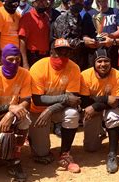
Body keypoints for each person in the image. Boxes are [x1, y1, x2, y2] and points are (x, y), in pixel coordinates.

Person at [28, 38, 82, 173]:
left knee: (72, 113)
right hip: (38, 111)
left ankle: (65, 153)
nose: (63, 56)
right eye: (59, 52)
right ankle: (32, 137)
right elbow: (37, 100)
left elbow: (73, 100)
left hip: (57, 110)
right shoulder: (38, 67)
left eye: (66, 53)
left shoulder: (74, 68)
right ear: (51, 52)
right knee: (42, 154)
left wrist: (51, 109)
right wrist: (64, 98)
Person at [0, 44, 31, 181]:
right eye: (10, 59)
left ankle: (14, 160)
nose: (14, 63)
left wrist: (10, 113)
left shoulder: (24, 74)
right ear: (2, 59)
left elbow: (27, 100)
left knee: (24, 118)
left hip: (13, 115)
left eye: (18, 59)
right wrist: (10, 108)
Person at [80, 48, 119, 173]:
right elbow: (84, 102)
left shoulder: (118, 75)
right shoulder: (85, 75)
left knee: (114, 117)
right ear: (94, 63)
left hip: (109, 109)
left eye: (106, 61)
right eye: (99, 61)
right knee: (91, 148)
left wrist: (95, 104)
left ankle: (112, 154)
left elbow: (116, 102)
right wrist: (105, 98)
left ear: (111, 62)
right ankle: (100, 133)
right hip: (94, 109)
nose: (103, 64)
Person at [51, 0, 96, 70]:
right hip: (65, 60)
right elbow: (64, 41)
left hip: (80, 62)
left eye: (80, 1)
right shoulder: (62, 19)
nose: (77, 3)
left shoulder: (81, 18)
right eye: (74, 1)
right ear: (69, 3)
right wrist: (84, 43)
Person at [90, 0, 119, 69]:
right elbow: (86, 33)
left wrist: (110, 35)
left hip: (112, 52)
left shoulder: (116, 12)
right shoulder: (90, 14)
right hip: (95, 52)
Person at [19, 0, 51, 69]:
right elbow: (22, 41)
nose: (41, 3)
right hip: (32, 56)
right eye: (38, 0)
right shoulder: (27, 17)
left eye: (43, 1)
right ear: (33, 3)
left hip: (45, 56)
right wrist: (25, 62)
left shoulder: (46, 17)